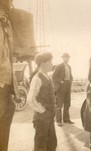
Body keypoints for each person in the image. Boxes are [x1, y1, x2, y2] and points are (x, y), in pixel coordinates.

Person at [27, 51, 57, 151]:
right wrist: (43, 111)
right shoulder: (37, 79)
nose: (52, 64)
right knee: (41, 145)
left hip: (49, 117)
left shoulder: (48, 77)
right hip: (41, 118)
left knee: (52, 143)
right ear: (43, 64)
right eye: (50, 62)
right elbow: (30, 100)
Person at [0, 2, 16, 150]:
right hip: (1, 85)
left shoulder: (6, 25)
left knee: (4, 133)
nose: (6, 11)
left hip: (7, 87)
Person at [52, 53, 74, 126]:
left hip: (68, 85)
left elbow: (71, 76)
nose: (67, 59)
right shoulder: (59, 66)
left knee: (67, 103)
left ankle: (66, 119)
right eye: (65, 57)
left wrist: (70, 80)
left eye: (68, 57)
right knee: (59, 104)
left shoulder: (69, 67)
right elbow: (54, 76)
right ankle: (58, 121)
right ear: (63, 58)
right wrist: (60, 81)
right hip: (61, 86)